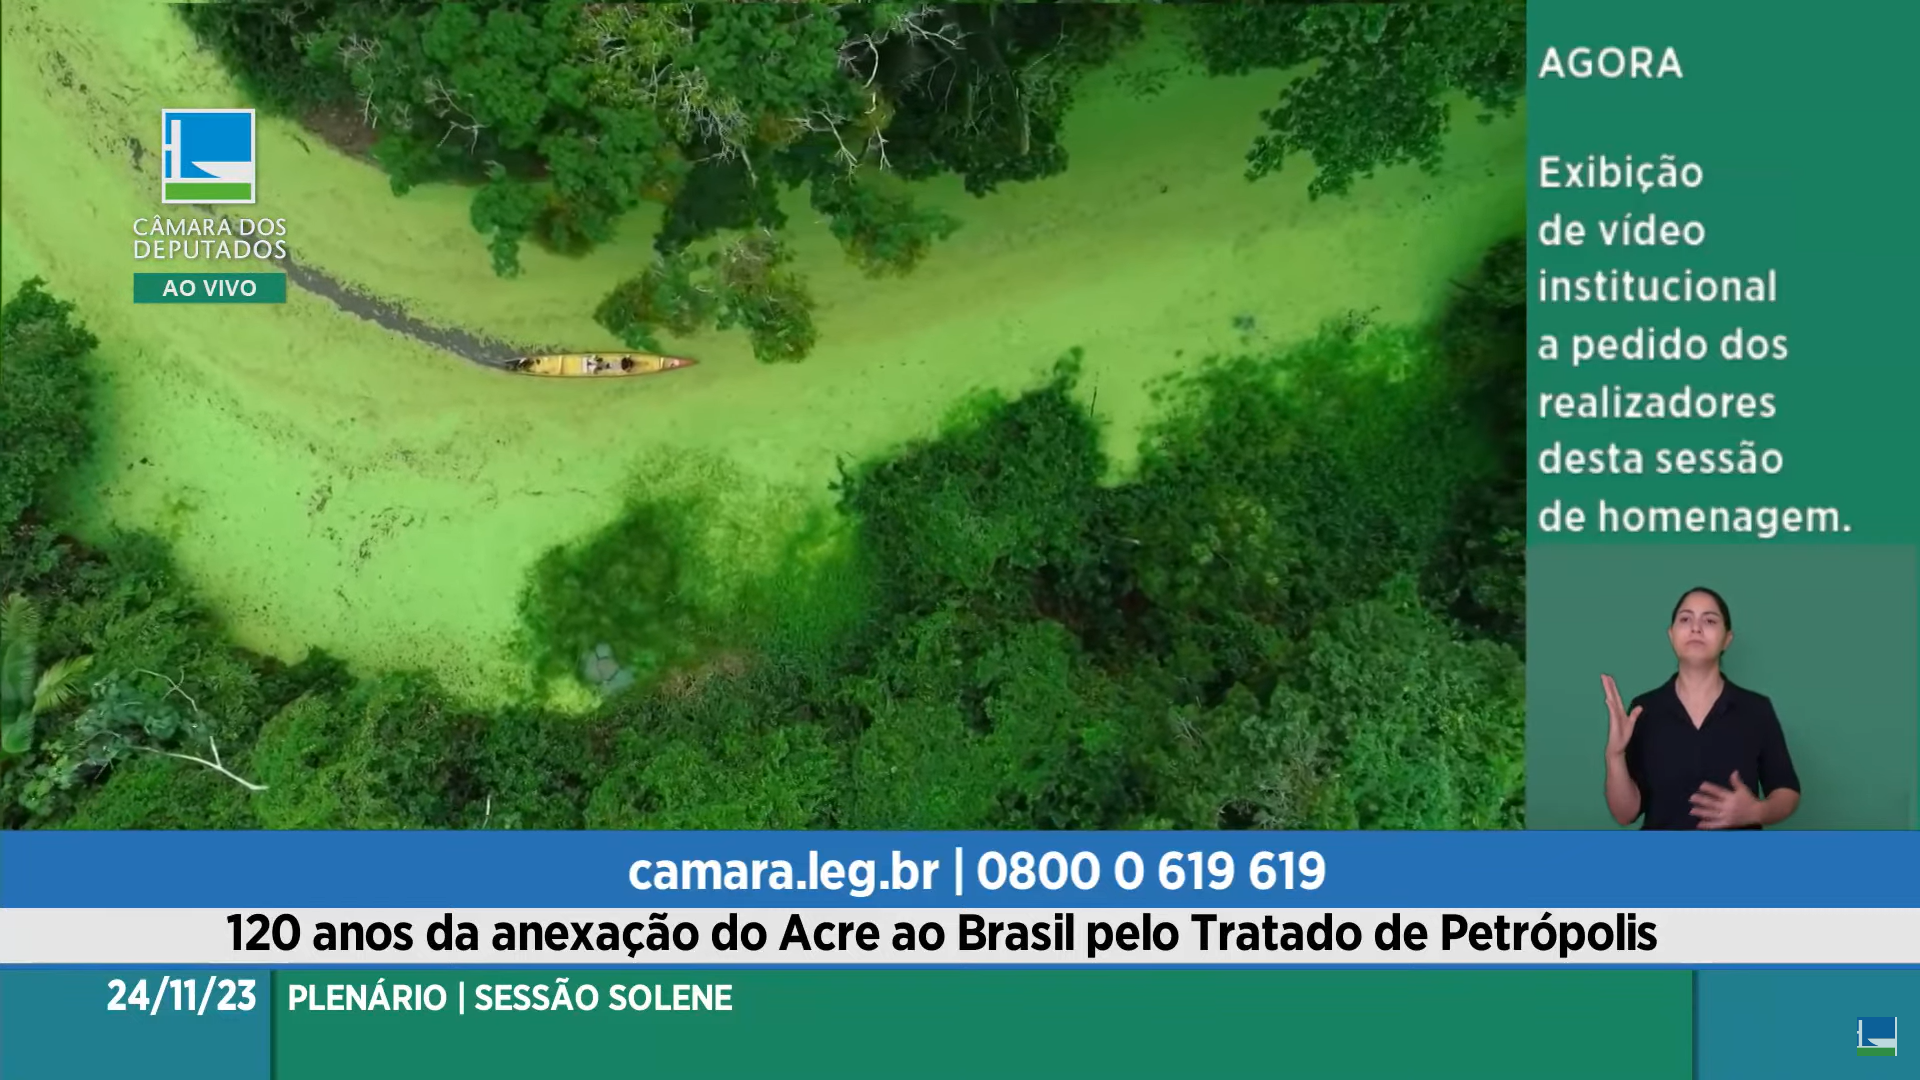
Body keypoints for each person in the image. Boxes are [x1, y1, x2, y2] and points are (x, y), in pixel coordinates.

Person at [1601, 586, 1801, 830]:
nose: (1696, 627)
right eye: (1685, 619)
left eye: (1709, 620)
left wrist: (1757, 811)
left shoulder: (1756, 709)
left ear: (1727, 638)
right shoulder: (1643, 710)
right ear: (1671, 634)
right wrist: (1615, 755)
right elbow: (1625, 814)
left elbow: (1787, 792)